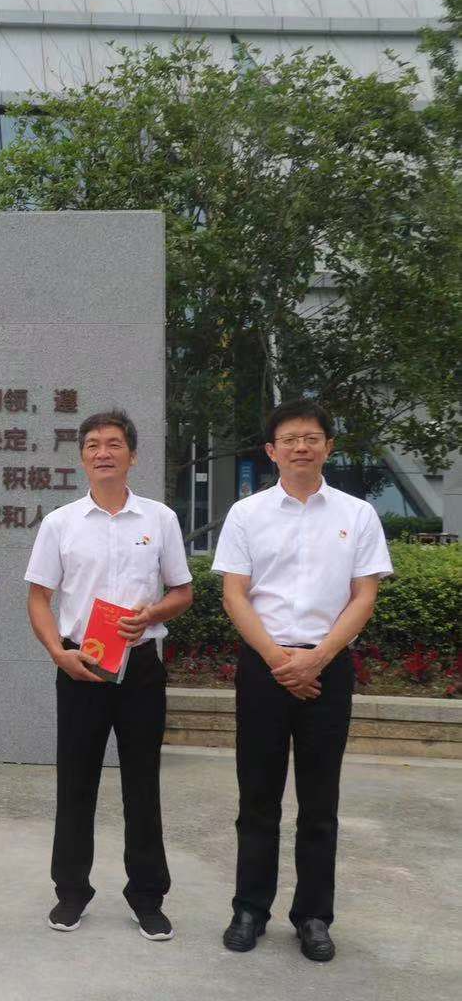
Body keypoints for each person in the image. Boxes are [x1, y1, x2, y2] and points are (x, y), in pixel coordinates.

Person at [214, 399, 391, 963]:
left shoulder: (357, 515)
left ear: (328, 447)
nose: (300, 447)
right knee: (257, 797)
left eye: (311, 438)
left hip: (328, 667)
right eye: (289, 439)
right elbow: (235, 594)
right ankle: (249, 908)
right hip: (263, 668)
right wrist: (278, 660)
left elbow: (364, 595)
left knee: (319, 801)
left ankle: (313, 916)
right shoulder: (246, 514)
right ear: (271, 451)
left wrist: (318, 658)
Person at [25, 409, 193, 941]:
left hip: (140, 666)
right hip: (81, 664)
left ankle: (147, 895)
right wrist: (58, 653)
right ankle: (71, 891)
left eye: (114, 443)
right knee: (76, 783)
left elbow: (182, 592)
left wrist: (154, 613)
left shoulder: (159, 519)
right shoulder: (61, 523)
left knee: (142, 784)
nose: (103, 453)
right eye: (93, 445)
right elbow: (38, 597)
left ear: (132, 455)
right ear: (82, 458)